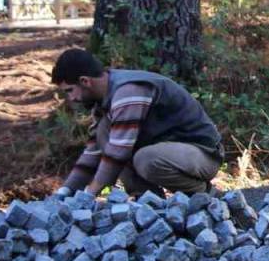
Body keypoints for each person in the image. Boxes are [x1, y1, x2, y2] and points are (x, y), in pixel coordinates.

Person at [50, 48, 224, 197]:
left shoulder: (128, 91)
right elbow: (94, 152)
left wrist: (89, 194)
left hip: (203, 154)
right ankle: (147, 201)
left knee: (146, 159)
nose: (71, 98)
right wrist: (66, 191)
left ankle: (205, 195)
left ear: (85, 81)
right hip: (170, 151)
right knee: (104, 131)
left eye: (70, 91)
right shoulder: (105, 99)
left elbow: (117, 153)